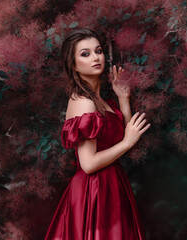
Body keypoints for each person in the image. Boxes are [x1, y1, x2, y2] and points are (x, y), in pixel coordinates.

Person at [44, 28, 150, 240]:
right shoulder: (83, 101)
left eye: (98, 51)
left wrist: (123, 99)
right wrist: (127, 143)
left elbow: (125, 141)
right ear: (74, 65)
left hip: (111, 186)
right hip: (94, 191)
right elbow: (89, 164)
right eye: (85, 53)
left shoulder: (98, 101)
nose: (95, 57)